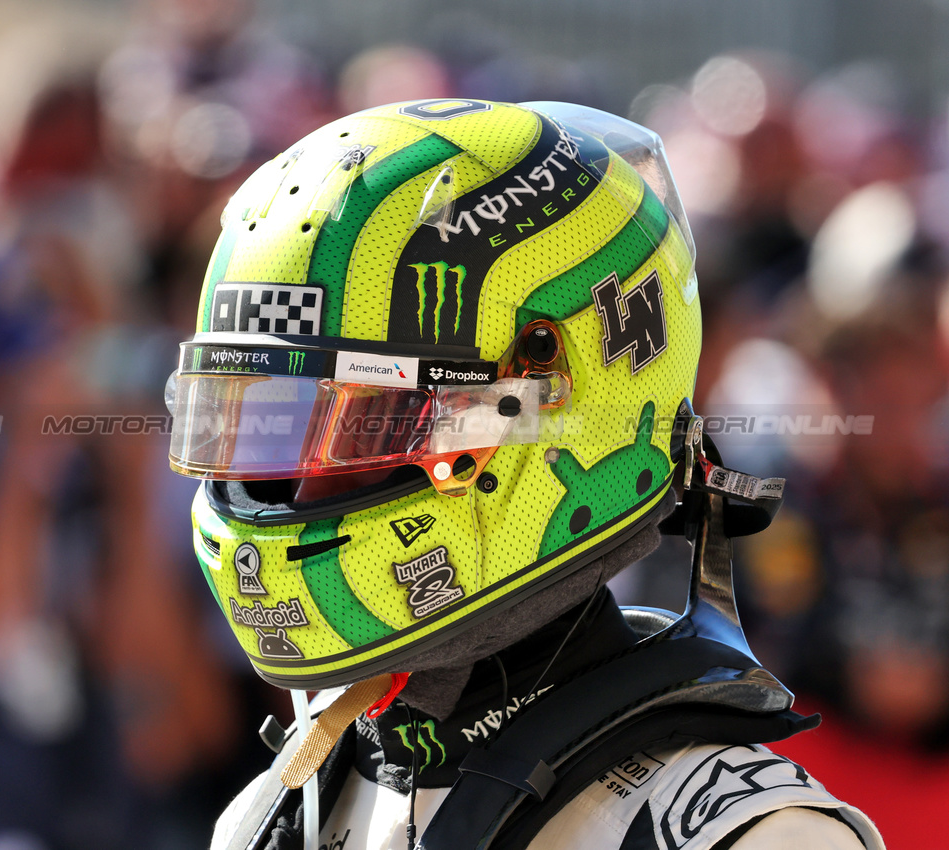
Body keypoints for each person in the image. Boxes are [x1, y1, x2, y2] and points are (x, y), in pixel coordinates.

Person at [166, 99, 884, 850]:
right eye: (270, 438)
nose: (300, 492)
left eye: (366, 429)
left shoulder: (740, 834)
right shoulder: (275, 809)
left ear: (555, 393)